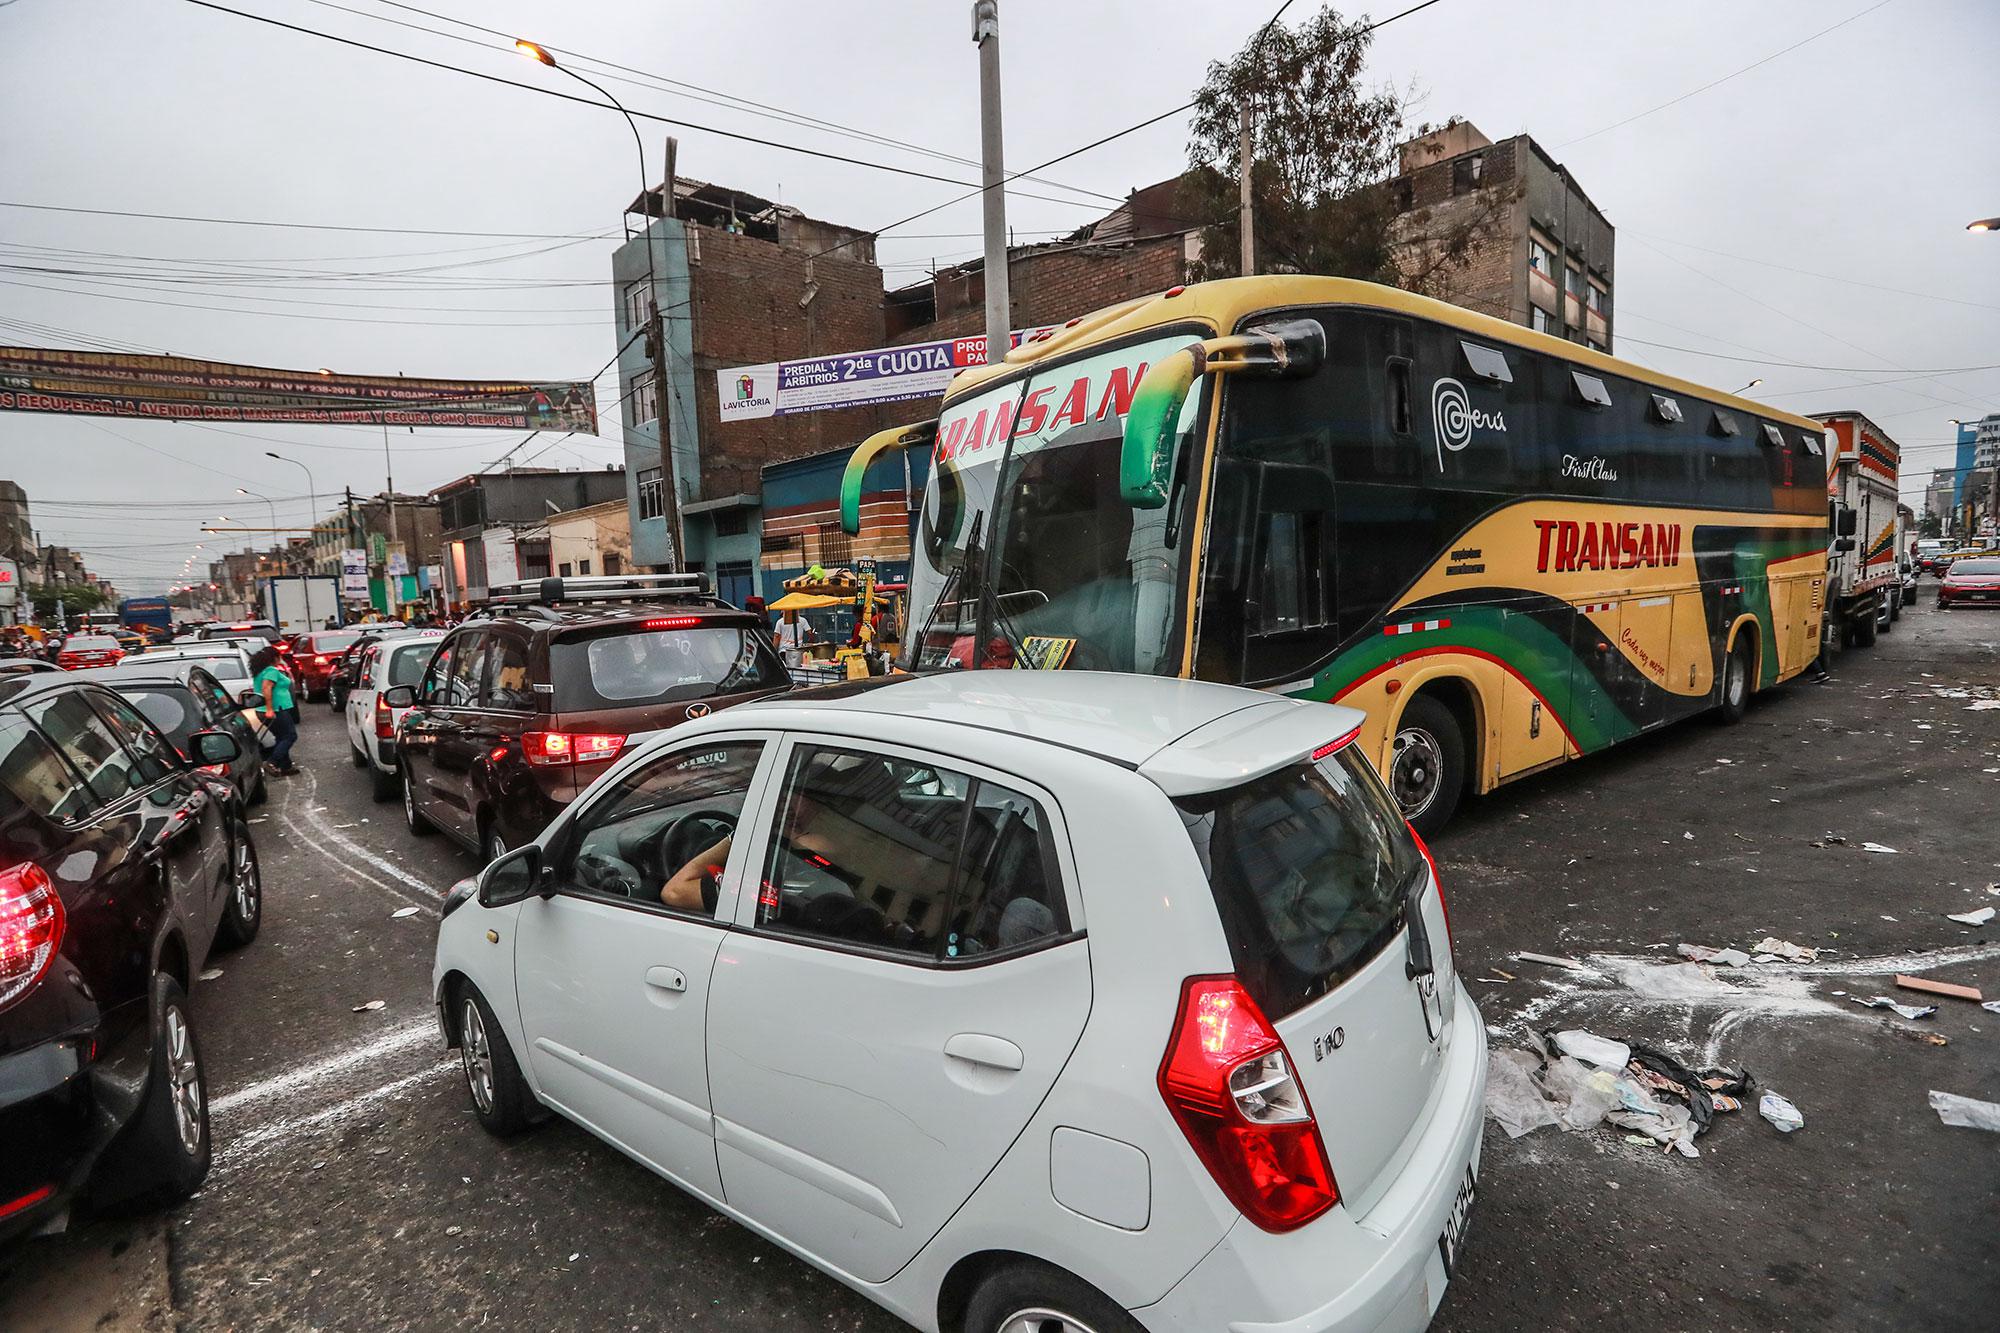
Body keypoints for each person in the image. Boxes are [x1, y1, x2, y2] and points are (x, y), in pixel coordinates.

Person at [250, 644, 300, 774]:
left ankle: (286, 766)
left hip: (264, 709)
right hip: (276, 709)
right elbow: (267, 688)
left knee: (281, 736)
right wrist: (269, 709)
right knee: (290, 735)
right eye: (279, 657)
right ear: (275, 658)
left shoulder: (261, 672)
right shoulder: (271, 671)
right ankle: (272, 761)